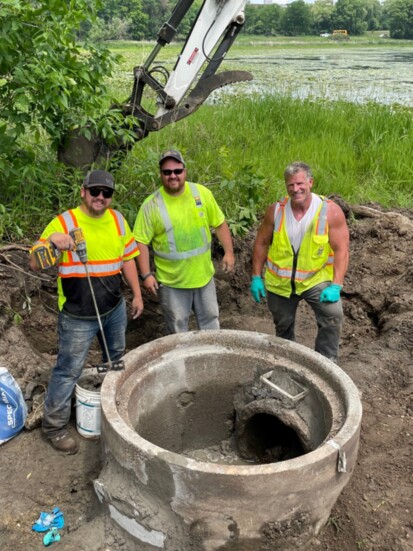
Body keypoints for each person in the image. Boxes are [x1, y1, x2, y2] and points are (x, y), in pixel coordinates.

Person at [29, 170, 143, 454]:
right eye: (95, 191)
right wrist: (54, 240)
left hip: (113, 309)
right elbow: (34, 261)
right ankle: (54, 427)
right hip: (77, 315)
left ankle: (113, 415)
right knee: (68, 370)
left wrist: (137, 294)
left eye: (106, 193)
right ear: (83, 192)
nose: (100, 197)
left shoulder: (117, 220)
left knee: (115, 361)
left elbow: (128, 258)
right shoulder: (65, 222)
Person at [250, 161, 349, 362]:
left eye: (300, 184)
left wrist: (336, 285)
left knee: (332, 315)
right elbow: (261, 243)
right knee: (283, 325)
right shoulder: (276, 211)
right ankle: (289, 363)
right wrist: (255, 277)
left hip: (315, 279)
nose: (296, 189)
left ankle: (327, 362)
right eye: (291, 185)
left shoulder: (329, 211)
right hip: (281, 283)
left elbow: (341, 250)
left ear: (310, 182)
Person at [133, 149, 235, 334]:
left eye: (177, 171)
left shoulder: (201, 193)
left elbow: (219, 223)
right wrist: (146, 275)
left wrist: (229, 252)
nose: (173, 176)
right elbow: (140, 241)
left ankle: (211, 360)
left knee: (211, 325)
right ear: (161, 175)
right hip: (172, 283)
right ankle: (182, 364)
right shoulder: (151, 205)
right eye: (167, 172)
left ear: (185, 171)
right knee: (178, 330)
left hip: (203, 278)